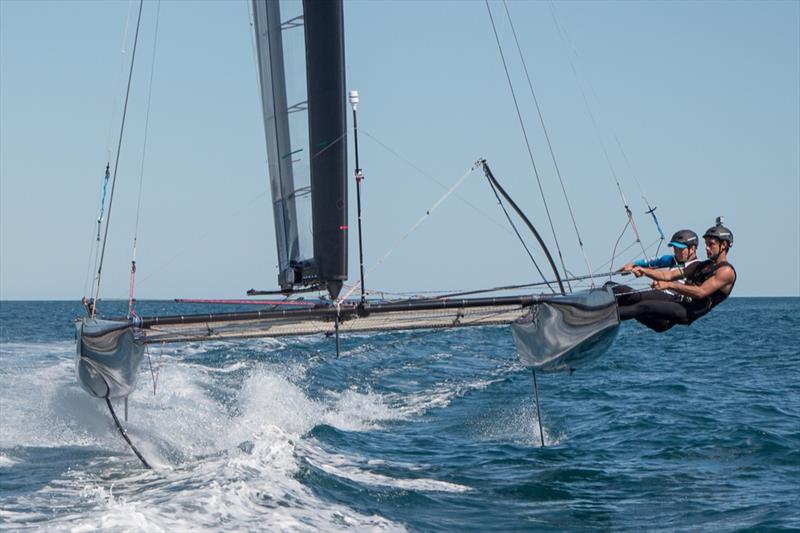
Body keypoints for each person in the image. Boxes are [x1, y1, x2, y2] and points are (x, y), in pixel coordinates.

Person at [614, 218, 736, 332]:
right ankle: (600, 307)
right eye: (706, 244)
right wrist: (644, 271)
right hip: (678, 301)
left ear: (724, 245)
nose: (706, 248)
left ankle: (603, 317)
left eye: (711, 244)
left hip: (688, 311)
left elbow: (700, 292)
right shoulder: (703, 265)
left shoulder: (725, 272)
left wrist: (670, 285)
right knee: (634, 297)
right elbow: (668, 275)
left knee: (644, 306)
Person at [620, 229, 700, 272]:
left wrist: (645, 272)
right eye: (675, 248)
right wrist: (633, 264)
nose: (676, 252)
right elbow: (653, 261)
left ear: (692, 249)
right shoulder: (671, 259)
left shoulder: (699, 266)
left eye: (680, 249)